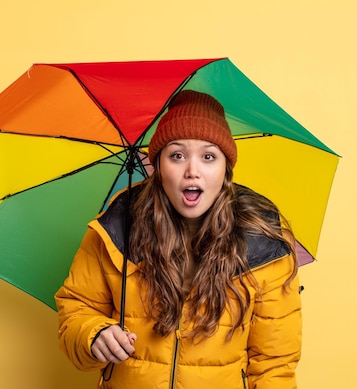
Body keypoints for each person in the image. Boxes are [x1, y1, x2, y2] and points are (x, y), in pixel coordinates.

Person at [55, 90, 302, 389]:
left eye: (209, 156)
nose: (192, 171)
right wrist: (93, 334)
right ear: (158, 167)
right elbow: (76, 309)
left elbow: (274, 365)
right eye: (177, 156)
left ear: (226, 169)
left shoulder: (264, 242)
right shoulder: (117, 229)